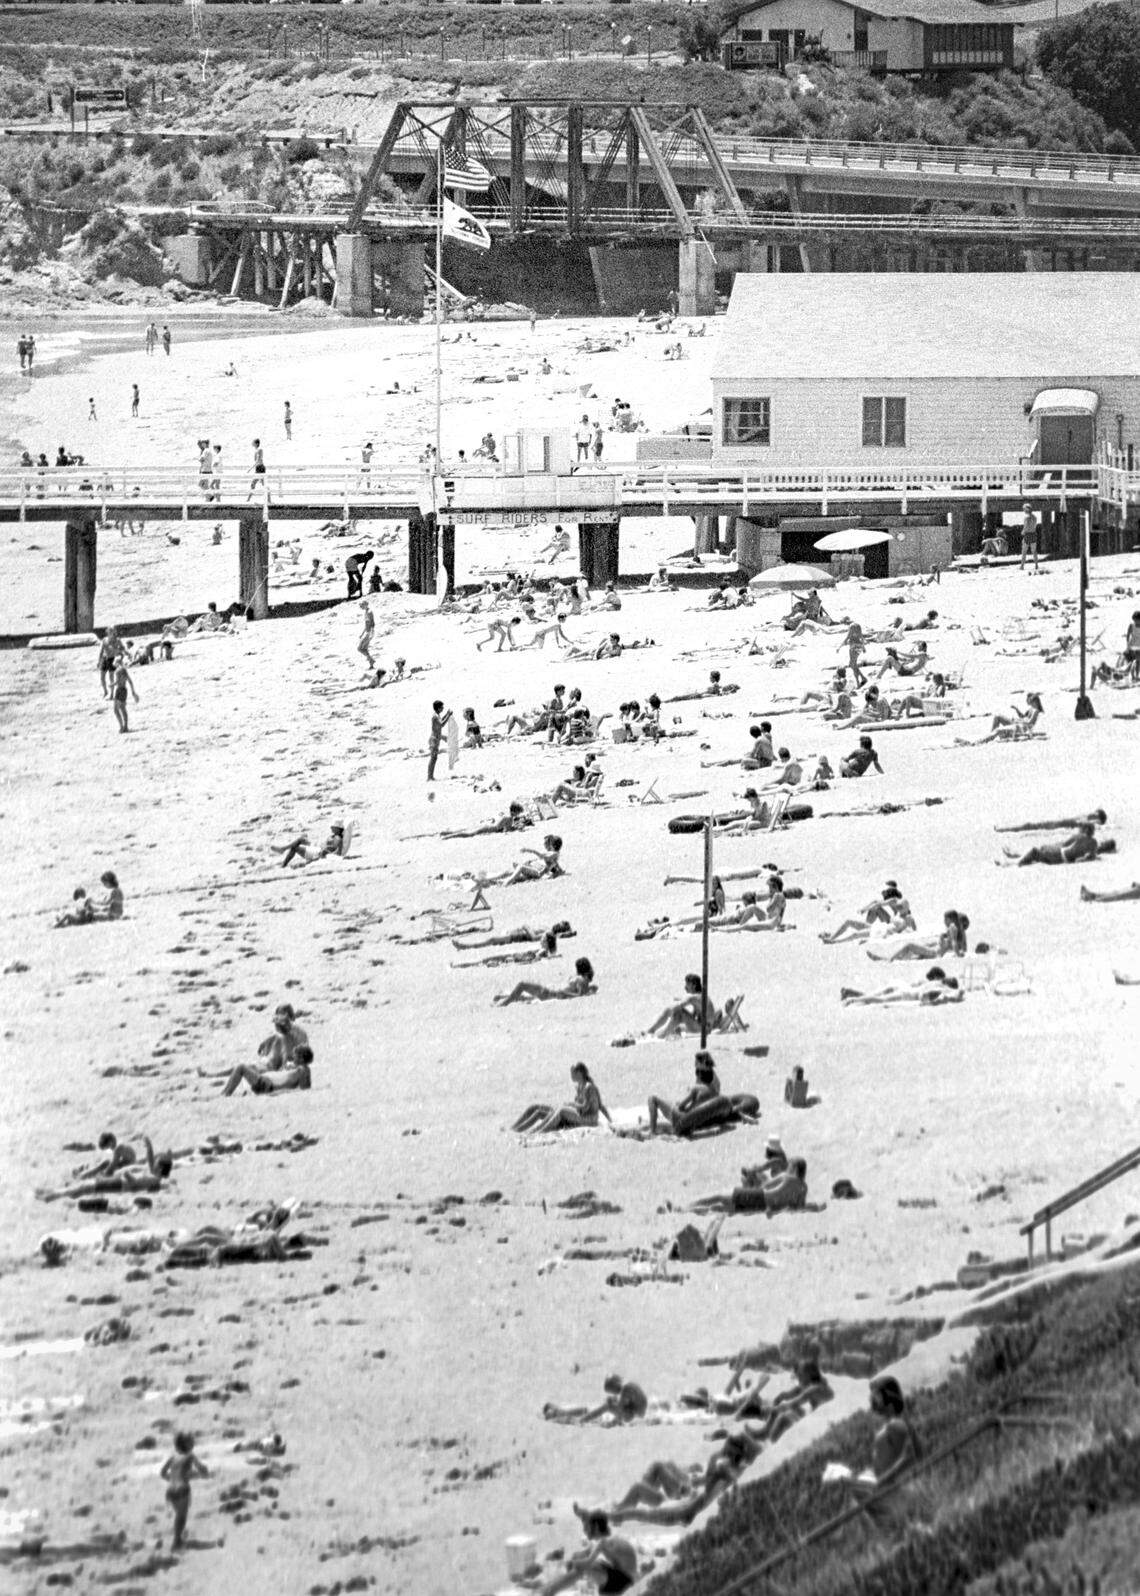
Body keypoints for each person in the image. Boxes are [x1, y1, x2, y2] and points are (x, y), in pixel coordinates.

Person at [537, 1510, 638, 1596]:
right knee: (581, 1564)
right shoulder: (607, 1540)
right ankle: (549, 1589)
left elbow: (586, 1563)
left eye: (587, 1527)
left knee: (582, 1568)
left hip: (624, 1581)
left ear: (596, 1527)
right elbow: (586, 1553)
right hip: (619, 1576)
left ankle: (548, 1592)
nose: (585, 1531)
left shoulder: (607, 1542)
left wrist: (573, 1563)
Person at [512, 1062, 612, 1133]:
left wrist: (571, 1105)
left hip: (588, 1119)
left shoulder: (589, 1087)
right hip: (578, 1115)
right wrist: (570, 1106)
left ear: (579, 1073)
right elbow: (595, 1106)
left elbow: (586, 1108)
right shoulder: (579, 1087)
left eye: (572, 1072)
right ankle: (514, 1129)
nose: (571, 1075)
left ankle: (538, 1131)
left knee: (561, 1110)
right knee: (536, 1108)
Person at [691, 1157, 808, 1216]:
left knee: (719, 1196)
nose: (787, 1168)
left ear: (795, 1168)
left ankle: (687, 1207)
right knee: (728, 1208)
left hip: (760, 1197)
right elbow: (798, 1207)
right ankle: (697, 1210)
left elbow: (765, 1186)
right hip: (764, 1207)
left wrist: (752, 1183)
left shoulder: (786, 1177)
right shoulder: (804, 1187)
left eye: (790, 1166)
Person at [647, 1051, 720, 1134]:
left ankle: (652, 1131)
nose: (695, 1065)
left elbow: (682, 1106)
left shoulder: (696, 1088)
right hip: (697, 1122)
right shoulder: (715, 1085)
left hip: (682, 1119)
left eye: (696, 1063)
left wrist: (681, 1103)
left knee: (652, 1098)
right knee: (676, 1102)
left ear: (703, 1063)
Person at [544, 1373, 649, 1428]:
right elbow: (626, 1403)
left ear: (615, 1385)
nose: (613, 1393)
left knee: (607, 1406)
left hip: (633, 1415)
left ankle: (580, 1420)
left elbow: (620, 1414)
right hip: (633, 1412)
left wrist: (611, 1423)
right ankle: (563, 1412)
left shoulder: (626, 1389)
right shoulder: (627, 1387)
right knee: (594, 1408)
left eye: (611, 1390)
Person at [160, 1432, 207, 1552]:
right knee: (182, 1517)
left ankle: (178, 1538)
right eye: (191, 1441)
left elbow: (162, 1473)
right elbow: (201, 1469)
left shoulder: (173, 1456)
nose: (193, 1442)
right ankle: (176, 1542)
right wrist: (203, 1472)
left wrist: (173, 1479)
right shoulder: (190, 1456)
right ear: (186, 1444)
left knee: (178, 1516)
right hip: (182, 1489)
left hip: (170, 1490)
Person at [867, 909, 969, 962]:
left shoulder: (952, 928)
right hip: (936, 951)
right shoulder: (957, 930)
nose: (944, 921)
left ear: (950, 919)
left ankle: (888, 959)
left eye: (945, 919)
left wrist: (957, 953)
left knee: (909, 946)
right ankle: (889, 958)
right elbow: (958, 945)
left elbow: (954, 943)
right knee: (915, 955)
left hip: (935, 953)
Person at [494, 956, 595, 1007]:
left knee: (522, 984)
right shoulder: (582, 979)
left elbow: (579, 995)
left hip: (550, 993)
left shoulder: (581, 979)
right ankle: (504, 998)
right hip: (550, 992)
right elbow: (581, 993)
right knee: (522, 994)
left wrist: (564, 993)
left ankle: (504, 1003)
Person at [222, 1042, 314, 1096]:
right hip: (267, 1083)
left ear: (301, 1058)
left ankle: (225, 1094)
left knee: (241, 1067)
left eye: (295, 1056)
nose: (293, 1058)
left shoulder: (302, 1070)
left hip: (268, 1085)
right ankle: (225, 1092)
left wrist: (276, 1092)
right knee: (248, 1067)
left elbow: (304, 1089)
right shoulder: (299, 1069)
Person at [842, 966, 963, 1006]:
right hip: (907, 993)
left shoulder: (935, 983)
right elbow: (924, 997)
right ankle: (853, 999)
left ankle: (853, 993)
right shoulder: (940, 987)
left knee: (875, 996)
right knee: (881, 1000)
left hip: (902, 986)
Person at [1001, 820, 1104, 867]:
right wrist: (1079, 859)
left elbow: (1064, 845)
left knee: (1035, 851)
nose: (1078, 830)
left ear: (1085, 829)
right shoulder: (1094, 843)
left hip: (1059, 856)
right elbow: (1091, 856)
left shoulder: (1079, 836)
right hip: (1065, 859)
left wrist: (1049, 846)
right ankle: (1015, 855)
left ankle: (1013, 862)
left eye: (1080, 828)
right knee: (1038, 854)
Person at [645, 974, 715, 1040]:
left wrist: (668, 1010)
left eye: (687, 984)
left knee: (678, 1013)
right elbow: (695, 1016)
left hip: (704, 1030)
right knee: (677, 1020)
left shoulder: (694, 997)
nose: (685, 987)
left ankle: (656, 1033)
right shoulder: (701, 996)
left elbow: (675, 1008)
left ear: (694, 985)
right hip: (704, 1028)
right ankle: (656, 1032)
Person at [453, 920, 573, 950]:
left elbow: (534, 938)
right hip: (515, 933)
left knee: (491, 940)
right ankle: (465, 943)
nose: (558, 924)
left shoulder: (549, 933)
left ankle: (466, 946)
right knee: (491, 938)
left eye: (560, 925)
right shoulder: (548, 929)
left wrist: (527, 927)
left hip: (517, 937)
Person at [110, 660, 138, 734]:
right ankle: (125, 726)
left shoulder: (117, 671)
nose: (113, 664)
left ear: (116, 663)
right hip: (124, 690)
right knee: (123, 709)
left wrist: (111, 685)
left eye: (114, 663)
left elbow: (117, 682)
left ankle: (121, 727)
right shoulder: (124, 670)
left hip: (119, 690)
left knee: (116, 710)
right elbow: (130, 681)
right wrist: (133, 692)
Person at [427, 700, 452, 782]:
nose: (443, 708)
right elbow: (441, 724)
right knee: (433, 758)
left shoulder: (437, 715)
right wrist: (448, 716)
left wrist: (447, 715)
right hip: (434, 739)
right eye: (441, 707)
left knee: (434, 758)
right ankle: (429, 776)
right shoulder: (435, 716)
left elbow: (441, 721)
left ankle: (431, 776)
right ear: (438, 708)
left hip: (437, 738)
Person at [843, 622, 868, 687]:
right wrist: (864, 648)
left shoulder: (851, 629)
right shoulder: (858, 631)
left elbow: (846, 639)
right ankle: (862, 679)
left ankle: (859, 681)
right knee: (853, 665)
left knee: (852, 664)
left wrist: (839, 647)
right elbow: (862, 639)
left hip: (853, 648)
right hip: (857, 647)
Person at [1020, 503, 1040, 571]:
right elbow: (1034, 526)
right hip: (1033, 534)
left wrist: (1022, 532)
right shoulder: (1035, 517)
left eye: (1024, 509)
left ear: (1027, 509)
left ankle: (1022, 566)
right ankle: (1036, 565)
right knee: (1034, 551)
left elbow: (1025, 527)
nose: (1023, 510)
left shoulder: (1026, 517)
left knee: (1024, 551)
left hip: (1028, 534)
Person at [357, 601, 375, 670]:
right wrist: (362, 633)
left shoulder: (369, 612)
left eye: (362, 605)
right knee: (364, 648)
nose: (361, 607)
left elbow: (372, 622)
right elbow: (366, 624)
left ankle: (371, 660)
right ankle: (371, 663)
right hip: (367, 632)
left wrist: (371, 632)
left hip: (369, 632)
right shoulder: (366, 612)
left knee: (360, 648)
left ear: (365, 605)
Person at [1126, 611, 1140, 683]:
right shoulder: (1131, 625)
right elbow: (1128, 635)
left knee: (1138, 662)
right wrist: (1127, 644)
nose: (1135, 621)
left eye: (1137, 620)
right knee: (1131, 662)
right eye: (1134, 620)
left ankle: (1137, 676)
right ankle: (1132, 676)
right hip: (1132, 646)